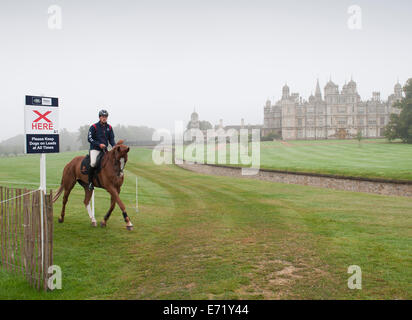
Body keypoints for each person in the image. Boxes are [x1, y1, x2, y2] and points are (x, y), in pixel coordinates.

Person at [87, 109, 116, 190]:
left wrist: (114, 146)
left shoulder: (109, 127)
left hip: (104, 149)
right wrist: (99, 144)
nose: (104, 118)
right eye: (102, 116)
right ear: (99, 117)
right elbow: (89, 139)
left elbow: (111, 139)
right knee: (93, 163)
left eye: (105, 117)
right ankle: (90, 182)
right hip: (95, 149)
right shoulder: (94, 127)